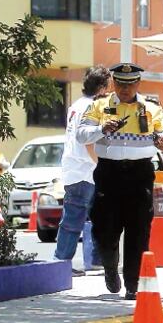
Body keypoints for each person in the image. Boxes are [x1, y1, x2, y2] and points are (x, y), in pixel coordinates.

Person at [77, 63, 163, 299]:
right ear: (113, 82)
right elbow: (81, 134)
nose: (125, 89)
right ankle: (111, 268)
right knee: (104, 229)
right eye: (120, 83)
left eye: (130, 84)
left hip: (139, 174)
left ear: (138, 84)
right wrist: (101, 129)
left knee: (138, 230)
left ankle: (133, 284)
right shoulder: (99, 105)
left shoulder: (150, 107)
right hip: (108, 173)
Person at [54, 66, 111, 276]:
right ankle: (62, 262)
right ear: (102, 87)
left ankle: (96, 259)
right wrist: (103, 165)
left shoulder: (77, 105)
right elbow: (89, 142)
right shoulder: (92, 108)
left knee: (97, 215)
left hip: (76, 168)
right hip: (84, 169)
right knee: (74, 218)